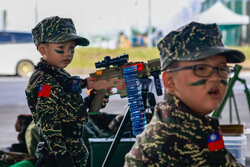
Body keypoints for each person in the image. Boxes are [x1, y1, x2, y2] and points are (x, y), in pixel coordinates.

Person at [124, 21, 245, 166]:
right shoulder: (161, 145)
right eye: (201, 69)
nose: (215, 77)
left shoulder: (196, 126)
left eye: (222, 68)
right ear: (169, 81)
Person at [25, 16, 108, 167]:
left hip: (73, 149)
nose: (67, 54)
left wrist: (90, 102)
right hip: (57, 155)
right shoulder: (45, 81)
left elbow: (69, 110)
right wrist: (62, 155)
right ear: (43, 49)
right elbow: (48, 120)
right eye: (61, 48)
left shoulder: (60, 75)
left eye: (72, 49)